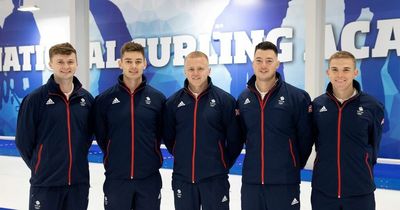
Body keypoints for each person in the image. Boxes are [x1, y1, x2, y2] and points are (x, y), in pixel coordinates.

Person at [15, 42, 94, 210]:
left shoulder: (86, 100)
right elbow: (23, 141)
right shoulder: (35, 99)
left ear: (76, 64)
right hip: (45, 184)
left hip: (78, 183)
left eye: (70, 61)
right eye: (60, 62)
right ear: (50, 64)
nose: (66, 66)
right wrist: (41, 165)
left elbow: (87, 138)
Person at [236, 41, 313, 210]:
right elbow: (241, 136)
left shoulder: (297, 97)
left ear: (277, 63)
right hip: (252, 182)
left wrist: (292, 165)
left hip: (284, 182)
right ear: (253, 63)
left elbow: (306, 138)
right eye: (259, 60)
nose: (264, 65)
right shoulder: (243, 99)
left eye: (269, 60)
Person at [163, 51, 242, 210]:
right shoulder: (172, 103)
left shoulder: (225, 101)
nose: (196, 73)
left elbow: (235, 140)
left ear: (209, 70)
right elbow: (169, 138)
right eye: (191, 69)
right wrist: (183, 156)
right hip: (183, 179)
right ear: (185, 71)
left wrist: (222, 163)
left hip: (215, 180)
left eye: (200, 68)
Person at [94, 41, 166, 210]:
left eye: (138, 61)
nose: (133, 66)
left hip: (149, 179)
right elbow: (102, 136)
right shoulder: (105, 100)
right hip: (117, 179)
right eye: (128, 61)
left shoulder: (158, 99)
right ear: (120, 64)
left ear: (145, 63)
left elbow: (163, 133)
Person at [311, 51, 384, 210]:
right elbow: (314, 141)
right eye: (335, 69)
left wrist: (363, 167)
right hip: (323, 191)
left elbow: (374, 145)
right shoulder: (317, 105)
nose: (340, 75)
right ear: (328, 72)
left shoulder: (372, 106)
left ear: (355, 72)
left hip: (360, 192)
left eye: (346, 69)